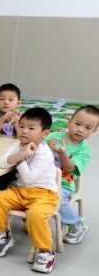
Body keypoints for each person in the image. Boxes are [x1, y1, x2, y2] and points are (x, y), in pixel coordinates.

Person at [0, 107, 60, 273]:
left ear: (44, 133)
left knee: (36, 214)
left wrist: (19, 158)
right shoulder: (18, 145)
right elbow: (1, 162)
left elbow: (29, 178)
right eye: (21, 126)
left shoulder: (44, 153)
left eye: (31, 128)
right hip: (21, 192)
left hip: (44, 195)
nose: (24, 131)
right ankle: (2, 236)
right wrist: (20, 154)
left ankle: (46, 251)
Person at [45, 105, 99, 245]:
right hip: (42, 179)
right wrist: (46, 147)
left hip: (63, 185)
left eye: (88, 128)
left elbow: (70, 168)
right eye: (78, 124)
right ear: (69, 121)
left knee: (57, 200)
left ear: (94, 131)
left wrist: (62, 153)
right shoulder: (54, 136)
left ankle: (77, 224)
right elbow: (37, 152)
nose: (80, 129)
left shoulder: (84, 150)